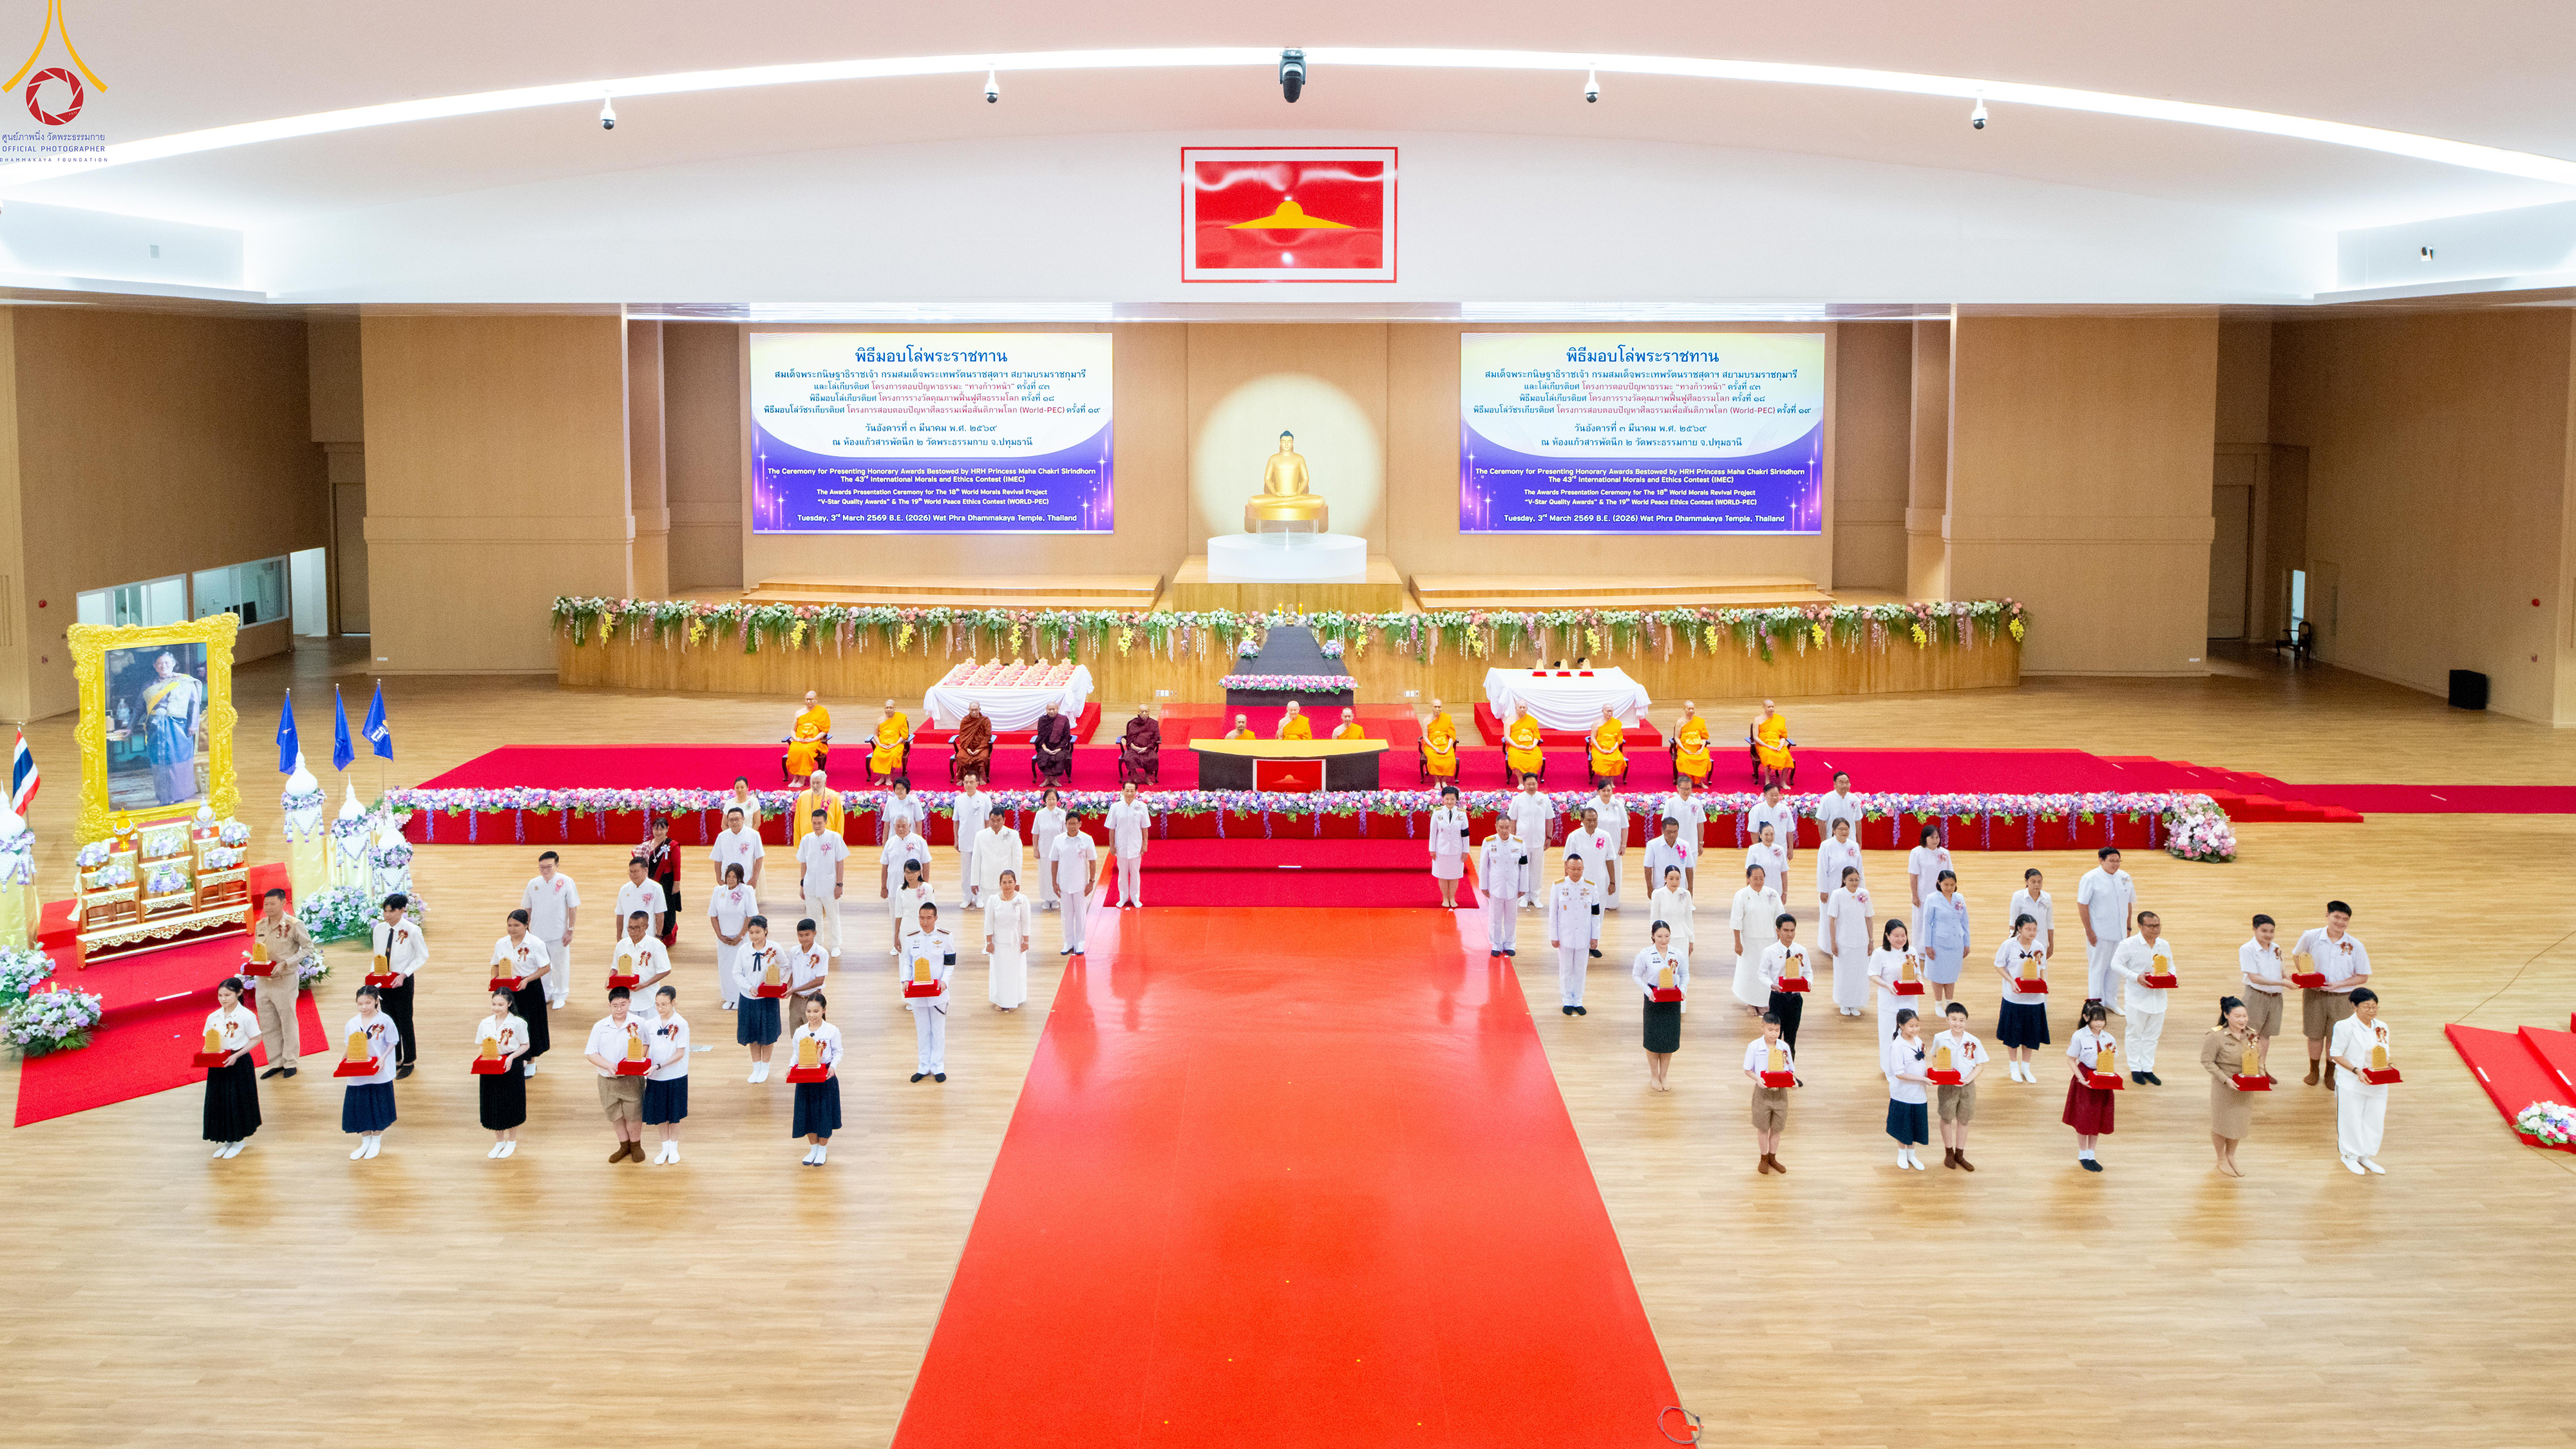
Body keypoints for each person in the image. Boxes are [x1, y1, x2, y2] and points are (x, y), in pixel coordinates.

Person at [2295, 901, 2371, 1089]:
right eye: (2336, 917)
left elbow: (2362, 977)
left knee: (2334, 1037)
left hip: (2342, 998)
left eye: (2345, 919)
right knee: (2314, 1034)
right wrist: (2307, 977)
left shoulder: (2355, 945)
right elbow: (2297, 955)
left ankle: (2330, 1074)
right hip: (2315, 995)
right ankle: (2314, 1071)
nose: (2340, 922)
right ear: (2327, 915)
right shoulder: (2310, 936)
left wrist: (2339, 984)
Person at [249, 888, 312, 1078]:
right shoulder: (260, 925)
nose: (268, 908)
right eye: (266, 904)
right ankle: (275, 1062)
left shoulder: (294, 924)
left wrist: (287, 962)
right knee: (268, 1023)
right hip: (263, 980)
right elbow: (259, 950)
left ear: (283, 902)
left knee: (287, 1020)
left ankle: (290, 1061)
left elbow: (308, 948)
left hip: (284, 980)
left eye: (272, 904)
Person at [2329, 987, 2392, 1173]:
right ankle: (2350, 1156)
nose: (2371, 1011)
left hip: (2377, 1081)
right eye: (2366, 1007)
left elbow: (2384, 1052)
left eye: (2374, 1007)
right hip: (2352, 1082)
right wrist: (2356, 1071)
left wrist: (2388, 1065)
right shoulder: (2344, 1026)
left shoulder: (2382, 1027)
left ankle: (2366, 1155)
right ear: (2354, 1007)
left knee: (2374, 1119)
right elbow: (2336, 1054)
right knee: (2351, 1118)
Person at [585, 987, 651, 1162]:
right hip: (607, 1080)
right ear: (609, 1006)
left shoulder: (640, 1023)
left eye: (623, 1004)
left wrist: (635, 1059)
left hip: (631, 1079)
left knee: (634, 1114)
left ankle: (636, 1145)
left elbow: (647, 1044)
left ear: (630, 1003)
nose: (619, 1009)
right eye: (615, 1005)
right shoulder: (600, 1026)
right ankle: (624, 1146)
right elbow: (591, 1053)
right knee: (615, 1115)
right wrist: (608, 1065)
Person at [2109, 911, 2175, 1084]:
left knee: (2153, 1035)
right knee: (2135, 1033)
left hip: (2159, 998)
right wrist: (2135, 976)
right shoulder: (2128, 944)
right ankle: (2135, 1068)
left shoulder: (2164, 945)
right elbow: (2115, 964)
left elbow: (2171, 965)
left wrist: (2170, 977)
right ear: (2140, 926)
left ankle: (2148, 1068)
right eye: (2151, 926)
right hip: (2137, 998)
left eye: (2158, 925)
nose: (2156, 929)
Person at [200, 978, 261, 1158]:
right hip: (218, 1063)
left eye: (227, 995)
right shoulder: (213, 1017)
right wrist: (207, 1051)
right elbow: (209, 1040)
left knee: (237, 1101)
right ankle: (227, 1140)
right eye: (220, 995)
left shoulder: (246, 1016)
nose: (223, 999)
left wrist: (236, 1055)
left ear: (239, 993)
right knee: (220, 1101)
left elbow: (256, 1039)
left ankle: (239, 1140)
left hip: (238, 1062)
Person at [138, 649, 206, 804]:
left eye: (167, 663)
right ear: (155, 666)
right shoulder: (149, 685)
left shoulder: (185, 681)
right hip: (156, 728)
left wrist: (193, 725)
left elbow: (195, 704)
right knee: (159, 762)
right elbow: (139, 706)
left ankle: (180, 796)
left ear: (174, 665)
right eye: (160, 663)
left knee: (179, 761)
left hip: (178, 728)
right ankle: (164, 798)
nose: (164, 666)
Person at [489, 909, 553, 1074]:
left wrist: (527, 980)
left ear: (526, 925)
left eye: (516, 925)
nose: (512, 929)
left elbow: (546, 967)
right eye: (509, 925)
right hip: (507, 988)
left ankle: (531, 1061)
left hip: (529, 988)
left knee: (527, 1023)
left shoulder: (535, 944)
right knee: (508, 1023)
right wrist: (495, 984)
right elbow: (496, 964)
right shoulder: (501, 943)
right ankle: (513, 1057)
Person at [370, 894, 426, 1079]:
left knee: (404, 1020)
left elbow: (421, 955)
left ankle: (409, 1060)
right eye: (385, 911)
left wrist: (404, 974)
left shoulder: (412, 930)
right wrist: (373, 978)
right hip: (383, 980)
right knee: (389, 1020)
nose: (387, 915)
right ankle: (396, 1058)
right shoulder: (379, 929)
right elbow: (377, 955)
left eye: (392, 911)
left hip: (403, 980)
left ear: (402, 910)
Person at [340, 984, 399, 1160]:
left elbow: (392, 1042)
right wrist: (341, 1060)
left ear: (376, 1002)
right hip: (358, 1069)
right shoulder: (352, 1023)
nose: (364, 1007)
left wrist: (383, 1059)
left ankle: (377, 1139)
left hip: (378, 1070)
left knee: (379, 1104)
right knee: (360, 1105)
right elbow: (348, 1045)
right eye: (360, 1004)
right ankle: (365, 1140)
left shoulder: (385, 1020)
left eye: (368, 1003)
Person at [2075, 846, 2137, 1010]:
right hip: (2100, 931)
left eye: (2118, 861)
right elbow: (2083, 904)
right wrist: (2089, 930)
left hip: (2121, 932)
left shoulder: (2125, 877)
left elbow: (2128, 903)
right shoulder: (2090, 878)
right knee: (2098, 967)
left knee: (2115, 967)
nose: (2115, 864)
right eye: (2112, 861)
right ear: (2101, 860)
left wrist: (2128, 927)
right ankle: (2096, 1004)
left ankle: (2111, 1001)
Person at [2202, 996, 2259, 1177]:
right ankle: (2221, 1158)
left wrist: (2261, 1077)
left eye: (2245, 1016)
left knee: (2239, 1123)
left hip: (2246, 1085)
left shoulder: (2251, 1034)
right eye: (2237, 1016)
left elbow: (2259, 1058)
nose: (2242, 1020)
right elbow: (2207, 1061)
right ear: (2227, 1015)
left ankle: (2231, 1155)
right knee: (2222, 1124)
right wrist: (2226, 1080)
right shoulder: (2216, 1036)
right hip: (2224, 1087)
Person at [472, 986, 531, 1157]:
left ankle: (512, 1141)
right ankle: (499, 1142)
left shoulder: (519, 1023)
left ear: (509, 1004)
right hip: (491, 1065)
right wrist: (478, 1061)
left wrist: (512, 1058)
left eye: (500, 1004)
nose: (496, 1008)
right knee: (493, 1102)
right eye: (494, 1004)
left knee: (511, 1102)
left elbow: (525, 1045)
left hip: (510, 1066)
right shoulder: (485, 1023)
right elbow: (482, 1045)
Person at [902, 902, 958, 1082]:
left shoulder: (945, 937)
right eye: (922, 918)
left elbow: (950, 964)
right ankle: (923, 1066)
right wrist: (905, 981)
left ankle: (938, 1067)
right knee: (923, 1030)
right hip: (917, 992)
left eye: (928, 918)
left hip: (938, 993)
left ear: (935, 918)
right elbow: (907, 963)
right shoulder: (911, 937)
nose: (925, 922)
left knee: (938, 1030)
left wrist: (944, 982)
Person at [1993, 913, 2051, 1081]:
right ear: (2019, 928)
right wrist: (2011, 982)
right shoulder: (2009, 945)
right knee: (2013, 1034)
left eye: (2035, 929)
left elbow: (2043, 968)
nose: (2032, 933)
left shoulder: (2039, 946)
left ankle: (2026, 1067)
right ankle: (2013, 1067)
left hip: (2035, 999)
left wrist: (2044, 984)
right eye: (2028, 929)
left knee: (2031, 1035)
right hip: (2014, 998)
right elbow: (1999, 965)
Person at [2063, 1000, 2120, 1170]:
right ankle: (2083, 1153)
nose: (2099, 1023)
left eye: (2102, 1019)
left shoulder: (2109, 1038)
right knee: (2084, 1117)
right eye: (2096, 1019)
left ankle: (2092, 1154)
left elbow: (2113, 1059)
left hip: (2102, 1078)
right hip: (2086, 1077)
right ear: (2086, 1018)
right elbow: (2071, 1060)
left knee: (2098, 1116)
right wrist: (2081, 1079)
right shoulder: (2079, 1036)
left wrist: (2111, 1056)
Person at [520, 851, 580, 1010]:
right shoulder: (533, 883)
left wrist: (570, 930)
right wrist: (526, 929)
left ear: (557, 865)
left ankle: (561, 994)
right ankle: (547, 992)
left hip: (558, 933)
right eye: (542, 867)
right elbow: (527, 907)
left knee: (560, 965)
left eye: (548, 867)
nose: (545, 870)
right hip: (538, 934)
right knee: (542, 965)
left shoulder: (566, 882)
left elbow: (572, 907)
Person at [1633, 922, 1688, 1091]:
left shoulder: (1677, 954)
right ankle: (1654, 1075)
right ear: (1652, 936)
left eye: (1667, 936)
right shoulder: (1645, 955)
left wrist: (1683, 990)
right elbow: (1636, 975)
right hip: (1654, 998)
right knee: (1653, 1039)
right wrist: (1647, 991)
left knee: (1669, 1040)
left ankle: (1664, 1075)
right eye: (1659, 937)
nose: (1664, 940)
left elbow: (1685, 974)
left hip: (1672, 999)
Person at [1930, 1001, 1985, 1170]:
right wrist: (1938, 1073)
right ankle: (1949, 1152)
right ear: (1947, 1020)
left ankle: (1960, 1154)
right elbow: (1934, 1057)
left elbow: (1980, 1064)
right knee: (1946, 1117)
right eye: (1954, 1019)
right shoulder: (1940, 1038)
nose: (1957, 1023)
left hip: (1967, 1087)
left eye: (1962, 1020)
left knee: (1964, 1119)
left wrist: (1968, 1080)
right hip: (1948, 1085)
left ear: (1966, 1022)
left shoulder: (1973, 1041)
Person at [791, 994, 842, 1166]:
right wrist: (791, 1068)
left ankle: (823, 1149)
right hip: (805, 1078)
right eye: (808, 1011)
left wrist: (833, 1067)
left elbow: (838, 1052)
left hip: (824, 1077)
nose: (812, 1015)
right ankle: (813, 1149)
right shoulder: (800, 1032)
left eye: (816, 1011)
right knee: (807, 1114)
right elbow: (796, 1054)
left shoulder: (832, 1030)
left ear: (824, 1010)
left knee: (824, 1114)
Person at [1546, 857, 1602, 1016]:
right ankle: (1567, 1000)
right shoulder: (1558, 886)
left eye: (1579, 869)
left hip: (1584, 936)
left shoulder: (1590, 887)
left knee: (1580, 969)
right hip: (1565, 936)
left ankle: (1578, 1000)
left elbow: (1595, 914)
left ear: (1583, 868)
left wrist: (1595, 936)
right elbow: (1553, 914)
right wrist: (1554, 935)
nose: (1576, 872)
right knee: (1566, 969)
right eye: (1573, 869)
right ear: (1566, 868)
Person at [641, 985, 690, 1164]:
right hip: (655, 1076)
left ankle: (674, 1148)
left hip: (676, 1075)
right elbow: (646, 1045)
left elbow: (680, 1052)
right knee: (660, 1114)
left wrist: (659, 1065)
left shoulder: (681, 1024)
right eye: (657, 1005)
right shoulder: (650, 1024)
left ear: (673, 1002)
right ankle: (664, 1148)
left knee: (674, 1114)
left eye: (664, 1004)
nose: (660, 1009)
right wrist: (641, 1060)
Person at [1729, 864, 1784, 1014]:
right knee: (1750, 972)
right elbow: (1736, 921)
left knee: (1767, 971)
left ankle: (1764, 1001)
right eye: (1755, 878)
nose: (1758, 881)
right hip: (1749, 941)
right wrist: (1737, 943)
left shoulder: (1772, 894)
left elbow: (1780, 918)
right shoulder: (1741, 895)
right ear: (1748, 879)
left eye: (1761, 878)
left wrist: (1781, 940)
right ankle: (1751, 1003)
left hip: (1769, 940)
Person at [734, 916, 784, 1081]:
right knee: (752, 1033)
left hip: (768, 998)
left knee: (767, 1033)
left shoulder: (775, 948)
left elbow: (785, 966)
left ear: (766, 930)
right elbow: (737, 973)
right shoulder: (744, 950)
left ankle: (765, 1067)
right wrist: (749, 987)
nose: (754, 936)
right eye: (751, 933)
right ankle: (756, 1067)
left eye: (758, 932)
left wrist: (774, 981)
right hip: (748, 997)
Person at [1742, 1012, 1793, 1172]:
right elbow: (1748, 1070)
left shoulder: (1784, 1048)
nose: (1774, 1034)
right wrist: (1758, 1079)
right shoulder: (1754, 1046)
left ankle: (1773, 1157)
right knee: (1763, 1128)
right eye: (1770, 1029)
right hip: (1762, 1094)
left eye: (1777, 1030)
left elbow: (1790, 1070)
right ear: (1763, 1027)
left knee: (1777, 1128)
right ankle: (1763, 1158)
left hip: (1780, 1094)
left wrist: (1793, 1082)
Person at [1882, 1007, 1932, 1170]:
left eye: (1917, 1025)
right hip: (1903, 1094)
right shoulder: (1897, 1046)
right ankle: (1902, 1154)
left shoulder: (1918, 1041)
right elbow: (1899, 1073)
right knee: (1903, 1126)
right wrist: (1923, 1079)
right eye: (1911, 1026)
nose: (1915, 1029)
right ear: (1901, 1026)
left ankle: (1912, 1155)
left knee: (1916, 1125)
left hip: (1919, 1094)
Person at [2239, 914, 2286, 1082]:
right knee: (2251, 1034)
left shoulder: (2276, 948)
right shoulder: (2247, 949)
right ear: (2254, 929)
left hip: (2276, 998)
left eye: (2272, 931)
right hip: (2256, 996)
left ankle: (2261, 1068)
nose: (2268, 935)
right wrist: (2283, 983)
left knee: (2266, 1035)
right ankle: (2246, 1069)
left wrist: (2294, 979)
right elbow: (2255, 978)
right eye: (2264, 931)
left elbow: (2282, 972)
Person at [797, 807, 849, 958]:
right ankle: (817, 944)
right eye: (814, 823)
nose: (816, 826)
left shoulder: (835, 838)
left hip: (829, 884)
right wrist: (802, 885)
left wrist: (839, 884)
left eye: (820, 823)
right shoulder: (807, 840)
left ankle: (835, 944)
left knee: (833, 916)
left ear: (826, 822)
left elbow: (840, 862)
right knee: (813, 917)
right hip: (811, 885)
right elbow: (803, 864)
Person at [878, 815, 932, 956]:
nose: (901, 829)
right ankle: (897, 943)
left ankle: (921, 942)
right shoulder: (890, 843)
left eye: (904, 826)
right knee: (895, 916)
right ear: (894, 827)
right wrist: (884, 887)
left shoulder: (919, 841)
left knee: (918, 915)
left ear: (910, 826)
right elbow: (885, 866)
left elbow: (926, 863)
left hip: (916, 888)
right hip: (895, 886)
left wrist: (925, 884)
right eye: (898, 826)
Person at [1824, 866, 1873, 1018]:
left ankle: (1856, 1002)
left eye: (1857, 880)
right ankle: (1844, 1002)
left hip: (1861, 940)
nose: (1854, 883)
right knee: (1844, 973)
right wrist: (1832, 942)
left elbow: (1869, 918)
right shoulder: (1838, 895)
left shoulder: (1864, 894)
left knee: (1859, 973)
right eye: (1851, 880)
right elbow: (1832, 920)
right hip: (1843, 941)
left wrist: (1871, 940)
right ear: (1844, 880)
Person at [1758, 913, 1812, 1048]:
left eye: (1792, 930)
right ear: (1778, 931)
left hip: (1795, 999)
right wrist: (1772, 984)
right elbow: (1762, 973)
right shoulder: (1770, 951)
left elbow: (1808, 971)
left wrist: (1809, 982)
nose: (1790, 934)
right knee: (1774, 1037)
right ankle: (1774, 1068)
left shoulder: (1801, 950)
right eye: (1786, 930)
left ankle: (1789, 1068)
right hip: (1778, 998)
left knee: (1791, 1039)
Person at [706, 864, 755, 1012]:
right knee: (726, 968)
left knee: (741, 968)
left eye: (734, 877)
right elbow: (713, 915)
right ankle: (729, 997)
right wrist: (720, 936)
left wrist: (740, 936)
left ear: (740, 878)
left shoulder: (747, 891)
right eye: (728, 876)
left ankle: (742, 997)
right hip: (724, 939)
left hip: (742, 938)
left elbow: (750, 915)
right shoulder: (718, 891)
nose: (731, 879)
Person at [1479, 818, 1530, 957]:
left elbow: (1524, 867)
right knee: (1495, 916)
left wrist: (1524, 886)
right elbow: (1484, 866)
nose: (1504, 831)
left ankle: (1510, 943)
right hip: (1495, 886)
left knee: (1511, 916)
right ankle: (1496, 944)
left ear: (1511, 827)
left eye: (1507, 827)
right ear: (1496, 826)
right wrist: (1483, 886)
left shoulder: (1519, 843)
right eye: (1501, 827)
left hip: (1513, 886)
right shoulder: (1489, 842)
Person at [1048, 820, 1100, 956]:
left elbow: (1092, 861)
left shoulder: (1087, 839)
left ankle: (1080, 942)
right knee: (1067, 914)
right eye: (1069, 824)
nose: (1072, 826)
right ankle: (1068, 942)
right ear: (1065, 824)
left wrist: (1091, 882)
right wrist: (1054, 882)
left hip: (1080, 884)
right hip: (1064, 884)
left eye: (1074, 824)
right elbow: (1054, 862)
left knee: (1081, 913)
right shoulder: (1058, 840)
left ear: (1080, 824)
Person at [1921, 869, 1970, 1006]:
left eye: (1952, 885)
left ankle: (1949, 1002)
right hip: (1939, 943)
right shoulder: (1932, 899)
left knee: (1951, 974)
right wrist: (1928, 945)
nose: (1949, 888)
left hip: (1956, 942)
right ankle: (1938, 1003)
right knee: (1938, 974)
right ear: (1939, 883)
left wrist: (1967, 943)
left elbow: (1965, 922)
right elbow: (1927, 923)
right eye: (1946, 884)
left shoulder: (1959, 898)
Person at [985, 870, 1032, 1010]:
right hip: (998, 943)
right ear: (1000, 884)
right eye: (1004, 883)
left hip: (1015, 943)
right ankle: (1000, 1000)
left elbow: (1026, 922)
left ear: (1015, 883)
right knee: (999, 972)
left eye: (1010, 882)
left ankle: (1013, 1001)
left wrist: (1026, 941)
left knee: (1014, 972)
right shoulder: (993, 900)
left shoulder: (1022, 900)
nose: (1007, 885)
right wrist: (989, 943)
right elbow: (988, 922)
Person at [1563, 808, 1614, 930]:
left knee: (1598, 916)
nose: (1592, 824)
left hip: (1600, 883)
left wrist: (1612, 882)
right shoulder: (1574, 836)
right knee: (1580, 916)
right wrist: (1567, 884)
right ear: (1582, 820)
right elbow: (1567, 862)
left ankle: (1595, 945)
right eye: (1589, 820)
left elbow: (1610, 860)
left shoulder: (1605, 836)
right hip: (1579, 884)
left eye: (1595, 820)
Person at [1868, 918, 1917, 1043]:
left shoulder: (1911, 951)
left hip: (1909, 1001)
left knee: (1909, 1038)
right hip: (1889, 1002)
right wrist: (1887, 985)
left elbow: (1918, 973)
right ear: (1887, 936)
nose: (1900, 939)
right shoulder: (1879, 953)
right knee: (1889, 1039)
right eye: (1896, 936)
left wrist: (1920, 984)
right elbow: (1873, 975)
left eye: (1903, 936)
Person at [1906, 823, 1952, 952]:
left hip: (1941, 896)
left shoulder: (1945, 853)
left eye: (1937, 837)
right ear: (1925, 838)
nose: (1935, 840)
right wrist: (1915, 895)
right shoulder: (1917, 853)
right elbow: (1913, 876)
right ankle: (1921, 950)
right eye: (1932, 837)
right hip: (1923, 896)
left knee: (1939, 922)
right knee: (1921, 923)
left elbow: (1950, 875)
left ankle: (1938, 947)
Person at [1507, 777, 1553, 908]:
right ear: (1524, 784)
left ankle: (1535, 896)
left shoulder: (1544, 799)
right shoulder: (1518, 800)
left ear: (1537, 784)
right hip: (1522, 841)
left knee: (1537, 870)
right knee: (1522, 868)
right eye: (1528, 784)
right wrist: (1513, 839)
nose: (1531, 786)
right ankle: (1524, 896)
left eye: (1534, 784)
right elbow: (1513, 820)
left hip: (1539, 841)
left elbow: (1549, 819)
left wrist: (1549, 837)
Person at [1105, 781, 1151, 909]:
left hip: (1136, 846)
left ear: (1136, 792)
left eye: (1132, 791)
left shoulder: (1142, 807)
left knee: (1135, 873)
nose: (1130, 793)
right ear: (1123, 791)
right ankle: (1123, 897)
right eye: (1127, 790)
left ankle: (1136, 898)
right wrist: (1112, 845)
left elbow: (1145, 828)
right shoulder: (1115, 807)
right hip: (1121, 846)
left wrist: (1145, 844)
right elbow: (1111, 828)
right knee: (1122, 874)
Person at [953, 773, 993, 909]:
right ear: (963, 783)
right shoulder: (959, 800)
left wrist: (988, 838)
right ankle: (967, 897)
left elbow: (988, 821)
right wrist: (956, 839)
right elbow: (956, 821)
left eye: (971, 782)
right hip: (964, 839)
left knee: (980, 869)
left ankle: (980, 897)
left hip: (980, 840)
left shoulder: (985, 799)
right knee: (966, 870)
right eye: (966, 782)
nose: (969, 785)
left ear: (977, 783)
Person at [641, 817, 682, 947]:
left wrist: (677, 884)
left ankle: (668, 935)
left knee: (667, 909)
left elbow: (677, 866)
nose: (658, 832)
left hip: (667, 882)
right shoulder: (648, 845)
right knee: (651, 907)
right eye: (656, 829)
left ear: (667, 829)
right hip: (652, 882)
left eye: (662, 829)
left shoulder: (672, 845)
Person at [1428, 786, 1472, 909]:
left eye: (1452, 799)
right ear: (1443, 799)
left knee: (1454, 875)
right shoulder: (1437, 813)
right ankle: (1445, 898)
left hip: (1456, 850)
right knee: (1442, 875)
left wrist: (1465, 851)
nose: (1450, 802)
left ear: (1456, 799)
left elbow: (1465, 834)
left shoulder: (1462, 814)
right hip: (1440, 849)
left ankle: (1452, 897)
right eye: (1447, 799)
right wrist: (1432, 849)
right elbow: (1433, 832)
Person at [1662, 778, 1708, 893]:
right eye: (1683, 789)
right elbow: (1665, 824)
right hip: (1674, 845)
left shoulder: (1696, 803)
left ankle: (1687, 899)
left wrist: (1700, 843)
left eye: (1689, 789)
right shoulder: (1671, 803)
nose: (1686, 791)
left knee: (1690, 873)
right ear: (1678, 788)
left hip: (1691, 844)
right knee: (1674, 873)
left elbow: (1700, 823)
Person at [709, 804, 764, 899]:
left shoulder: (754, 835)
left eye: (737, 819)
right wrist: (719, 879)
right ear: (727, 821)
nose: (734, 822)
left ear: (743, 819)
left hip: (747, 879)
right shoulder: (722, 836)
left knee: (747, 908)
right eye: (731, 820)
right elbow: (718, 860)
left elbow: (759, 858)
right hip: (727, 881)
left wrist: (754, 879)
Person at [976, 808, 1025, 911]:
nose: (995, 824)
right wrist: (974, 881)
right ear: (989, 820)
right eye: (993, 820)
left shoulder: (1013, 835)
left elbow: (1017, 859)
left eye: (999, 820)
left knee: (1006, 910)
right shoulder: (980, 835)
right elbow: (976, 859)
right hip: (987, 879)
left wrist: (1017, 881)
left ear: (1004, 820)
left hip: (1006, 881)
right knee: (989, 910)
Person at [1589, 782, 1629, 907]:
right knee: (1597, 872)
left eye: (1609, 790)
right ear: (1598, 791)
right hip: (1596, 846)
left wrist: (1623, 845)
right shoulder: (1592, 805)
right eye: (1603, 790)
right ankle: (1596, 900)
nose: (1606, 793)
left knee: (1614, 872)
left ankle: (1612, 902)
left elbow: (1624, 826)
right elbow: (1586, 825)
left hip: (1615, 845)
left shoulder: (1618, 805)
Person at [1647, 864, 1694, 971]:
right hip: (1664, 939)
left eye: (1678, 879)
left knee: (1681, 970)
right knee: (1665, 971)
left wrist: (1692, 940)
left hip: (1682, 937)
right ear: (1665, 879)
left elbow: (1688, 918)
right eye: (1671, 879)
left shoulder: (1685, 894)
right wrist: (1654, 938)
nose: (1675, 882)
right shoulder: (1658, 894)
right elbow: (1654, 918)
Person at [1812, 772, 1864, 866]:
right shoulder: (1827, 799)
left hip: (1851, 841)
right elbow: (1821, 822)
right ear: (1835, 784)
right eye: (1841, 782)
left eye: (1847, 782)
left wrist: (1859, 843)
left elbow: (1858, 821)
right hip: (1832, 841)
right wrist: (1824, 843)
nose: (1845, 785)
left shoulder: (1854, 799)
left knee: (1851, 869)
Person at [1748, 782, 1797, 884]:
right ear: (1765, 795)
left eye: (1777, 795)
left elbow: (1790, 831)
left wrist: (1790, 849)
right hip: (1763, 849)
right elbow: (1753, 831)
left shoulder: (1785, 810)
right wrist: (1756, 849)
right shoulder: (1757, 810)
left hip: (1780, 848)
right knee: (1761, 874)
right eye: (1771, 795)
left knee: (1780, 874)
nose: (1774, 797)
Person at [614, 855, 668, 945]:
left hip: (649, 937)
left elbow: (660, 914)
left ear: (646, 871)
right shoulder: (624, 890)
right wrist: (619, 937)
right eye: (630, 872)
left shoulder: (656, 888)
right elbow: (620, 915)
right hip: (628, 938)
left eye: (636, 872)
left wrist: (658, 936)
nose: (632, 875)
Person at [786, 918, 829, 1026]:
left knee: (815, 1037)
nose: (804, 939)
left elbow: (819, 981)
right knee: (796, 1036)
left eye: (807, 935)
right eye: (800, 935)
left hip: (813, 998)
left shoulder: (822, 953)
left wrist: (794, 989)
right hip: (795, 1000)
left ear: (815, 934)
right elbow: (792, 971)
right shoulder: (794, 952)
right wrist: (788, 987)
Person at [1643, 817, 1693, 911]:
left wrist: (1690, 888)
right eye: (1669, 831)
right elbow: (1648, 867)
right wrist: (1649, 888)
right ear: (1662, 830)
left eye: (1675, 831)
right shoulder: (1653, 845)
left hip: (1680, 889)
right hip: (1659, 888)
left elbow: (1689, 867)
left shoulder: (1685, 845)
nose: (1672, 835)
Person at [1815, 816, 1861, 919]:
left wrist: (1860, 889)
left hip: (1850, 888)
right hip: (1831, 887)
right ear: (1834, 830)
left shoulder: (1854, 846)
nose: (1844, 832)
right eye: (1841, 829)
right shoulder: (1826, 846)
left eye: (1846, 829)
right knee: (1830, 917)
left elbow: (1859, 869)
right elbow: (1822, 869)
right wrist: (1823, 890)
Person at [1031, 787, 1069, 910]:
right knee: (1045, 874)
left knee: (1058, 874)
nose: (1052, 801)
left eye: (1054, 799)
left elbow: (1066, 833)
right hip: (1044, 849)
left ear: (1057, 800)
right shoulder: (1040, 814)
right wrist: (1035, 849)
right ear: (1044, 800)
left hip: (1059, 850)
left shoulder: (1062, 814)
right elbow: (1035, 833)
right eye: (1049, 799)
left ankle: (1055, 898)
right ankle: (1047, 899)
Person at [1743, 824, 1786, 931]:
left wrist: (1785, 892)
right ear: (1760, 835)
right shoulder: (1754, 849)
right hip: (1759, 889)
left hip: (1776, 889)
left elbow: (1784, 873)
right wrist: (1749, 892)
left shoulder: (1779, 850)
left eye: (1772, 834)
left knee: (1775, 918)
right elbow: (1749, 873)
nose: (1769, 837)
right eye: (1766, 834)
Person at [2007, 867, 2056, 958]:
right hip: (2022, 944)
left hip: (2041, 943)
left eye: (2040, 882)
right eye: (2033, 882)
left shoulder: (2047, 898)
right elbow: (2013, 922)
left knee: (2040, 970)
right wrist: (2012, 945)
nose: (2037, 885)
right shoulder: (2018, 897)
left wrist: (2051, 945)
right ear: (2026, 881)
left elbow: (2049, 922)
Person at [791, 766, 845, 846]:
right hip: (807, 839)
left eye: (818, 783)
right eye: (813, 783)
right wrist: (798, 843)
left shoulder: (833, 796)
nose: (815, 786)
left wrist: (838, 842)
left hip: (829, 841)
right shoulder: (803, 796)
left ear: (824, 782)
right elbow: (797, 821)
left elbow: (840, 821)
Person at [786, 690, 831, 779]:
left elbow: (824, 730)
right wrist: (796, 739)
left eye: (811, 699)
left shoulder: (822, 711)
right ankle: (796, 776)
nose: (809, 701)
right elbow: (793, 730)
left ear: (816, 700)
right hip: (800, 740)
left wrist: (813, 739)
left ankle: (802, 777)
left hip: (814, 741)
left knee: (805, 751)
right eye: (807, 699)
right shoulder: (799, 713)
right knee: (794, 750)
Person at [1034, 701, 1075, 785]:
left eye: (1054, 709)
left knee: (1059, 757)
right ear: (1046, 710)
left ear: (1057, 709)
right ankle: (1048, 779)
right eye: (1050, 709)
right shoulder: (1042, 720)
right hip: (1046, 746)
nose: (1052, 711)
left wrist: (1058, 749)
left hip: (1060, 746)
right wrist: (1045, 749)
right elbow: (1040, 736)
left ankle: (1055, 779)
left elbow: (1066, 736)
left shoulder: (1063, 720)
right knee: (1043, 756)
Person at [1671, 701, 1712, 785]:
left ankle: (1700, 781)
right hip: (1684, 748)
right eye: (1689, 708)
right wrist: (1684, 749)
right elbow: (1676, 738)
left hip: (1698, 748)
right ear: (1684, 709)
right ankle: (1690, 780)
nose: (1691, 710)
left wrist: (1701, 749)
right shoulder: (1680, 722)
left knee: (1705, 759)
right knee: (1685, 759)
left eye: (1693, 708)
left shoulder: (1699, 721)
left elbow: (1704, 738)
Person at [1119, 705, 1162, 784]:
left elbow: (1156, 738)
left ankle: (1147, 777)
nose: (1144, 714)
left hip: (1148, 749)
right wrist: (1135, 748)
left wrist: (1147, 748)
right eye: (1142, 712)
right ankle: (1135, 775)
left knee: (1153, 758)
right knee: (1128, 758)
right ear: (1138, 712)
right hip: (1134, 749)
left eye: (1146, 711)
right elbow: (1129, 738)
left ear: (1149, 712)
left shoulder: (1153, 724)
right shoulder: (1134, 724)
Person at [869, 700, 909, 781]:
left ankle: (888, 777)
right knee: (877, 755)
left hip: (896, 745)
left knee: (893, 755)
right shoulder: (879, 720)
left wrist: (895, 744)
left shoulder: (901, 719)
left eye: (891, 708)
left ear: (895, 708)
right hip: (883, 744)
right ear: (884, 709)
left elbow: (904, 735)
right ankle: (882, 777)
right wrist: (880, 744)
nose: (889, 710)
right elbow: (875, 735)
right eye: (887, 708)